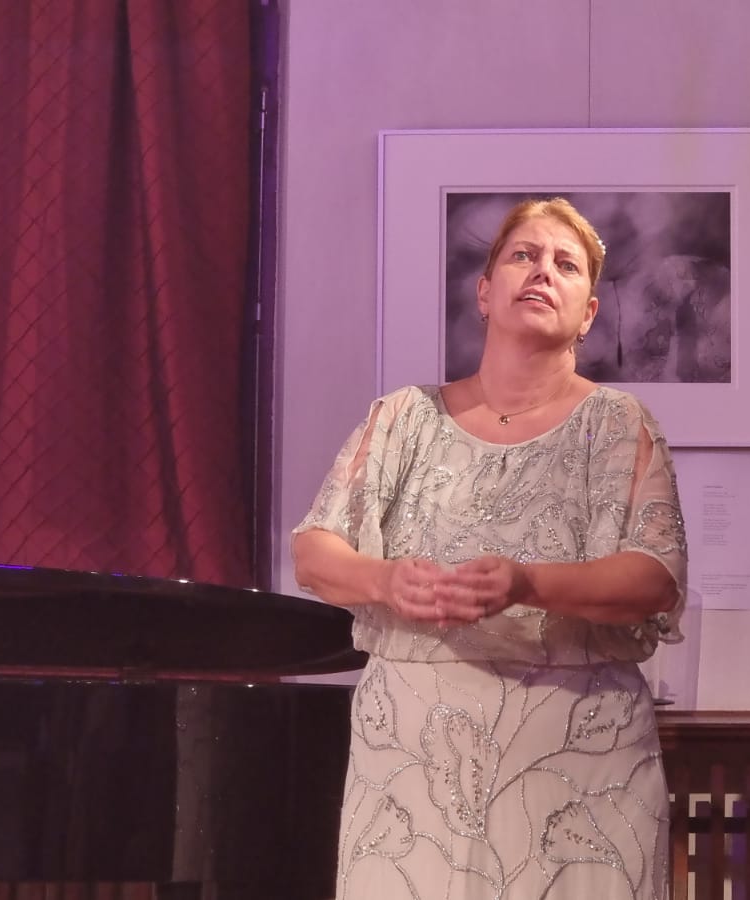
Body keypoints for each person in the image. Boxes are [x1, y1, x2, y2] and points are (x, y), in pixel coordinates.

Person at [292, 197, 689, 899]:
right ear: (483, 293)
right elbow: (315, 552)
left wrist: (526, 584)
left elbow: (653, 577)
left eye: (566, 265)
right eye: (523, 256)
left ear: (589, 314)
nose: (542, 271)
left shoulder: (618, 424)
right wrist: (385, 580)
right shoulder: (403, 418)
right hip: (411, 769)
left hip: (577, 760)